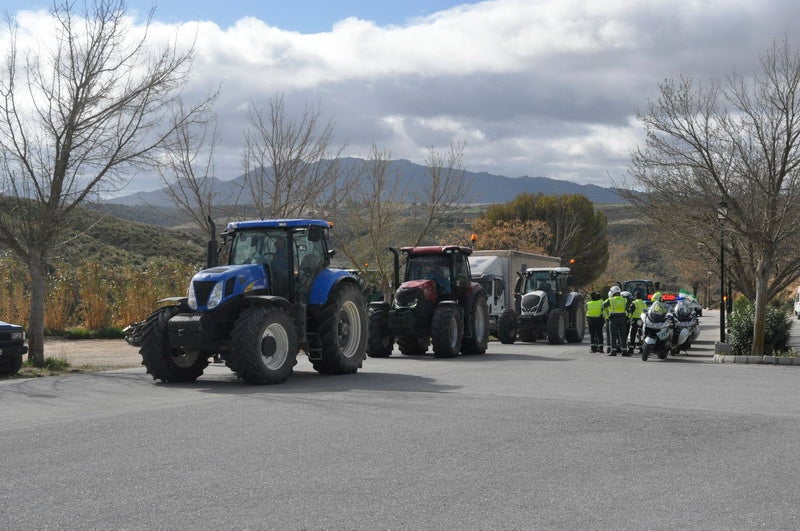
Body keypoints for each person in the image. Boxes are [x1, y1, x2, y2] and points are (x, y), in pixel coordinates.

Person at [603, 285, 628, 356]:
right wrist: (627, 317)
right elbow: (628, 309)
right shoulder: (624, 300)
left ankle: (613, 351)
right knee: (623, 335)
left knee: (613, 335)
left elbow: (603, 306)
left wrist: (607, 315)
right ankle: (624, 351)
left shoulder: (610, 300)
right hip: (623, 318)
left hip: (613, 318)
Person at [627, 290, 646, 355]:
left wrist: (629, 318)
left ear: (635, 296)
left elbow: (630, 311)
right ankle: (641, 348)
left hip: (635, 320)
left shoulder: (634, 302)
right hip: (642, 320)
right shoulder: (643, 303)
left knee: (633, 335)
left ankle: (631, 349)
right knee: (641, 335)